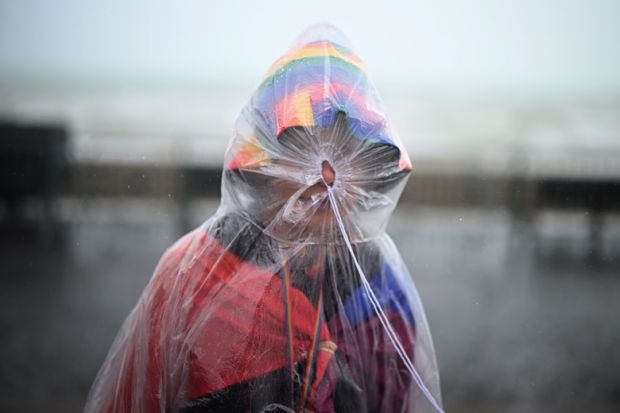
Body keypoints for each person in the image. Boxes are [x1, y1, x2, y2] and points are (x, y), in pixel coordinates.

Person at [84, 24, 443, 413]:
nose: (327, 176)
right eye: (305, 147)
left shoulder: (379, 289)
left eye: (349, 152)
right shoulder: (194, 274)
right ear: (264, 163)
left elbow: (393, 396)